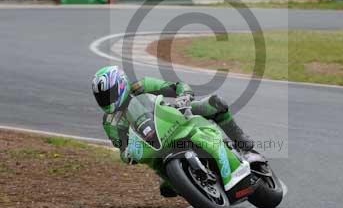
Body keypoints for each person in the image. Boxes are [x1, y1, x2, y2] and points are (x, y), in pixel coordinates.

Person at [92, 65, 254, 197]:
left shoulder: (141, 86)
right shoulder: (110, 122)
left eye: (109, 94)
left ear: (121, 84)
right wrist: (127, 154)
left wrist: (183, 95)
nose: (107, 100)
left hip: (172, 118)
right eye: (102, 97)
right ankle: (187, 181)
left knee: (214, 103)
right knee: (167, 189)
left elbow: (176, 86)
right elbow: (121, 147)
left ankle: (238, 138)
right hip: (156, 152)